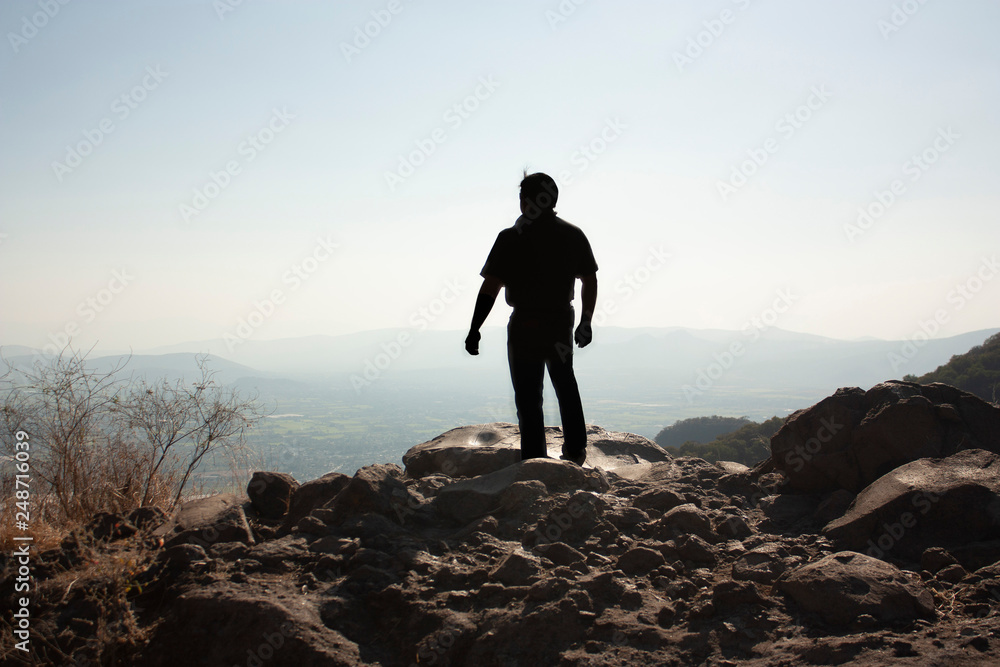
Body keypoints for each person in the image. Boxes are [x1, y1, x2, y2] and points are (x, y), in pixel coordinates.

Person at [465, 171, 598, 465]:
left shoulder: (511, 238)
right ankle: (576, 450)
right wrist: (586, 320)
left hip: (525, 324)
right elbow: (589, 279)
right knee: (565, 384)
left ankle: (535, 460)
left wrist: (475, 328)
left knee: (528, 397)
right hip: (560, 321)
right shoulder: (572, 235)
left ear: (526, 200)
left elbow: (490, 287)